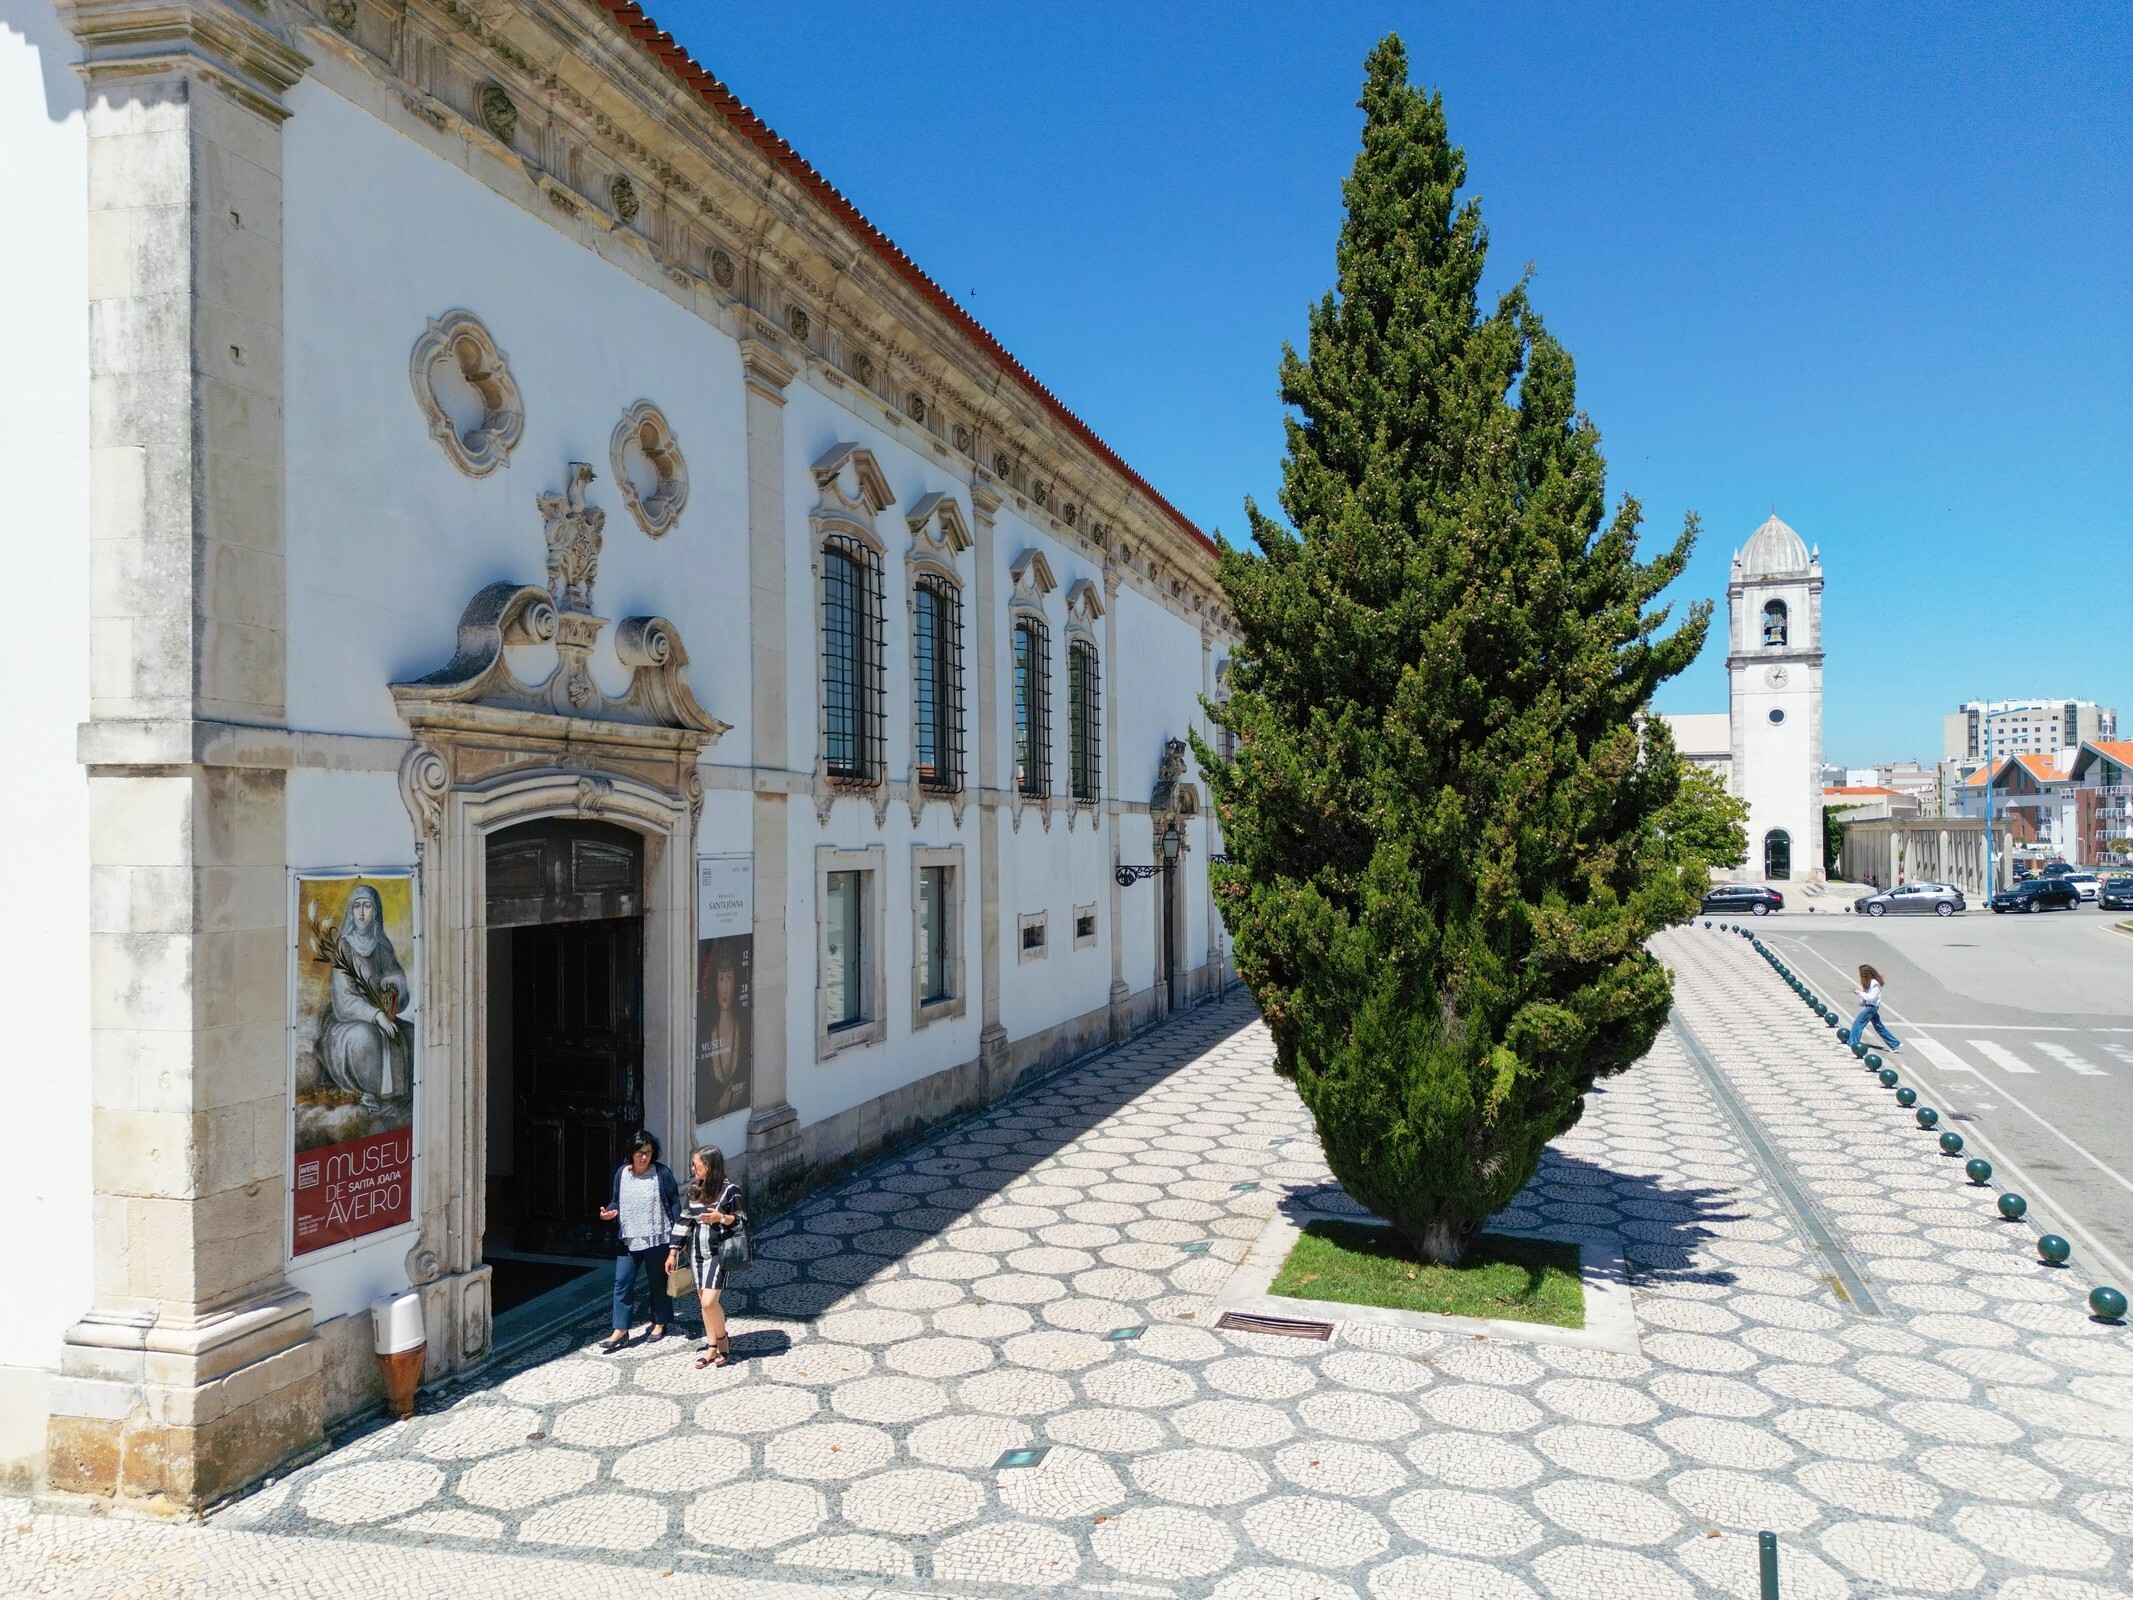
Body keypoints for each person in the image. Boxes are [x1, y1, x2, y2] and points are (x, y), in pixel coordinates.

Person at [318, 885, 412, 1109]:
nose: (361, 913)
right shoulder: (344, 946)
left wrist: (395, 983)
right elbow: (344, 1000)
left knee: (410, 1034)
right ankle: (370, 1095)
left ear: (375, 911)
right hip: (347, 1021)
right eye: (357, 906)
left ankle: (396, 1098)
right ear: (351, 912)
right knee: (366, 1038)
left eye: (367, 906)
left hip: (380, 1015)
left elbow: (396, 978)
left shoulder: (381, 947)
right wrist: (377, 1015)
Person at [599, 1131, 679, 1351]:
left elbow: (674, 1204)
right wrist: (609, 1212)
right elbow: (616, 1201)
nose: (644, 1157)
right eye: (639, 1153)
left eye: (648, 1152)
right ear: (631, 1153)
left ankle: (660, 1322)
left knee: (658, 1283)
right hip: (629, 1240)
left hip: (657, 1239)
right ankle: (620, 1330)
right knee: (622, 1283)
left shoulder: (661, 1173)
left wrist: (677, 1240)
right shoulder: (621, 1174)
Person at [669, 1145, 743, 1369]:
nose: (693, 1168)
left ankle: (722, 1340)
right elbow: (684, 1221)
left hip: (718, 1253)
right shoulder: (694, 1191)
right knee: (704, 1302)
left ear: (709, 1166)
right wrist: (673, 1251)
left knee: (710, 1301)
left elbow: (741, 1221)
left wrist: (722, 1217)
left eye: (696, 1164)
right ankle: (711, 1346)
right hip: (696, 1254)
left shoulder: (730, 1190)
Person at [1850, 964, 1903, 1052]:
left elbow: (1871, 997)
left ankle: (1852, 1043)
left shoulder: (1875, 984)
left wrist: (1860, 992)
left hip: (1872, 1007)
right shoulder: (1870, 982)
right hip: (1871, 1007)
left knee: (1858, 1024)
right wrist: (1860, 993)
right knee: (1879, 1027)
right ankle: (1895, 1044)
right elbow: (1867, 995)